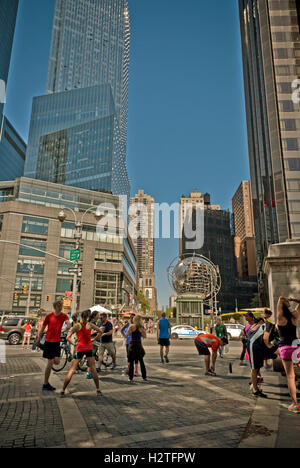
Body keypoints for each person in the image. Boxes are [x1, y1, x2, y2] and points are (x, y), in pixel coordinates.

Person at [60, 310, 102, 396]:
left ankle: (63, 390)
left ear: (81, 316)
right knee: (93, 369)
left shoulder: (77, 325)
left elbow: (68, 337)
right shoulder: (90, 325)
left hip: (80, 348)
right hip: (89, 348)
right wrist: (93, 339)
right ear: (88, 316)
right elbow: (100, 332)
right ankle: (98, 390)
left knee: (72, 369)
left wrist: (74, 343)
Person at [36, 300, 70, 392]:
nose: (60, 307)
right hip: (49, 341)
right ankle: (45, 384)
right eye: (59, 306)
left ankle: (43, 348)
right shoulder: (49, 316)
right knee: (50, 362)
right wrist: (39, 339)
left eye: (61, 306)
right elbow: (42, 329)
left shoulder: (64, 316)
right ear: (55, 307)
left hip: (56, 342)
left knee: (57, 362)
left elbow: (68, 324)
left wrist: (65, 328)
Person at [277, 296, 300, 413]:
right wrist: (293, 299)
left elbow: (280, 301)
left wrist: (282, 300)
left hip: (285, 348)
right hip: (297, 347)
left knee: (291, 377)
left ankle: (295, 405)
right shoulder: (294, 316)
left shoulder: (280, 318)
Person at [247, 309, 274, 398]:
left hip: (255, 345)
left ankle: (255, 386)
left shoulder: (257, 325)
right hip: (253, 345)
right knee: (254, 368)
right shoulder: (265, 325)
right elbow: (266, 339)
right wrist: (270, 346)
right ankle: (255, 389)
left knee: (256, 367)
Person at [126, 315, 147, 382]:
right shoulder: (141, 327)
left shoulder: (131, 326)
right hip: (138, 345)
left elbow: (127, 334)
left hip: (132, 344)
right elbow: (145, 336)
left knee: (131, 361)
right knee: (141, 361)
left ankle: (130, 377)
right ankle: (144, 376)